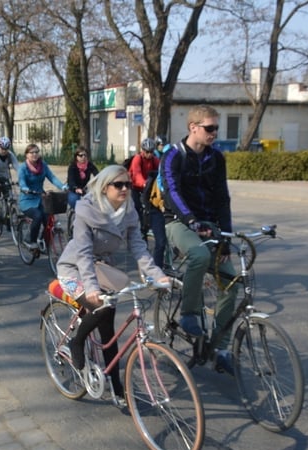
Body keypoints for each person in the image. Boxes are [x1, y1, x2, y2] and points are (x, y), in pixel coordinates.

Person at [56, 165, 170, 405]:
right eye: (119, 185)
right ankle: (76, 342)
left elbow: (138, 247)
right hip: (74, 268)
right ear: (104, 187)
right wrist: (92, 288)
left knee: (109, 328)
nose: (125, 189)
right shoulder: (86, 211)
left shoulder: (129, 212)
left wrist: (157, 275)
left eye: (128, 184)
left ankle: (117, 386)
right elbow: (84, 254)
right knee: (101, 308)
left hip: (102, 268)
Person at [158, 104, 236, 375]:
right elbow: (172, 192)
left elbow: (223, 198)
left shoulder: (217, 158)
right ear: (193, 128)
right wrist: (190, 220)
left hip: (210, 225)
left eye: (217, 128)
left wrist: (225, 235)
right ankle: (189, 313)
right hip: (179, 222)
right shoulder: (172, 156)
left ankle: (220, 348)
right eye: (210, 128)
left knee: (233, 283)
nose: (215, 132)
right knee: (199, 255)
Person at [17, 143, 67, 250]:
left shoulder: (43, 165)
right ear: (26, 155)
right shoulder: (23, 168)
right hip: (27, 200)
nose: (35, 154)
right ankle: (31, 241)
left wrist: (62, 186)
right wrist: (25, 188)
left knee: (49, 219)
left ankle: (44, 242)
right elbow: (22, 182)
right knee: (38, 216)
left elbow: (52, 177)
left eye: (36, 152)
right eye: (32, 152)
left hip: (41, 198)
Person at [128, 138, 159, 233]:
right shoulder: (137, 159)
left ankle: (147, 225)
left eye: (151, 152)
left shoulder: (155, 160)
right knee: (137, 206)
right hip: (135, 186)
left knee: (150, 206)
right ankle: (134, 226)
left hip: (148, 186)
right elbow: (137, 174)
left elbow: (161, 172)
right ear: (143, 150)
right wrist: (143, 183)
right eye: (147, 151)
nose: (149, 154)